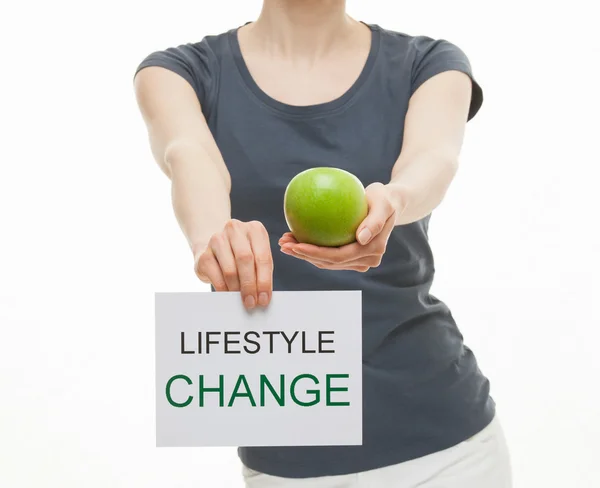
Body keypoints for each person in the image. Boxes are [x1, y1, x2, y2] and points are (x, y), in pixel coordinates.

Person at [133, 1, 512, 486]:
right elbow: (187, 155)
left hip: (447, 444)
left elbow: (434, 159)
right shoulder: (179, 72)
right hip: (287, 449)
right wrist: (214, 238)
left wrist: (393, 202)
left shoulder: (429, 61)